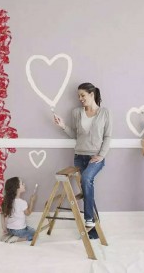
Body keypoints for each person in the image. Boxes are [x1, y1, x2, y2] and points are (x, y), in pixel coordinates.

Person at [54, 82, 112, 238]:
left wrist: (101, 155)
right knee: (86, 189)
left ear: (91, 94)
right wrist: (63, 126)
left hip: (96, 157)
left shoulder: (105, 113)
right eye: (78, 96)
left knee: (86, 180)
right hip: (79, 156)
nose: (80, 98)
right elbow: (76, 135)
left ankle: (88, 220)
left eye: (83, 95)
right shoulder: (76, 112)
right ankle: (93, 229)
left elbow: (107, 136)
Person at [0, 177, 36, 243]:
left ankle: (9, 235)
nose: (24, 184)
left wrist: (4, 228)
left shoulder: (6, 201)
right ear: (17, 188)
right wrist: (32, 202)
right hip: (19, 231)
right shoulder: (22, 202)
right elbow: (28, 213)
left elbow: (2, 215)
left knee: (30, 229)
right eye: (22, 183)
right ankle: (17, 239)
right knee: (34, 234)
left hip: (9, 229)